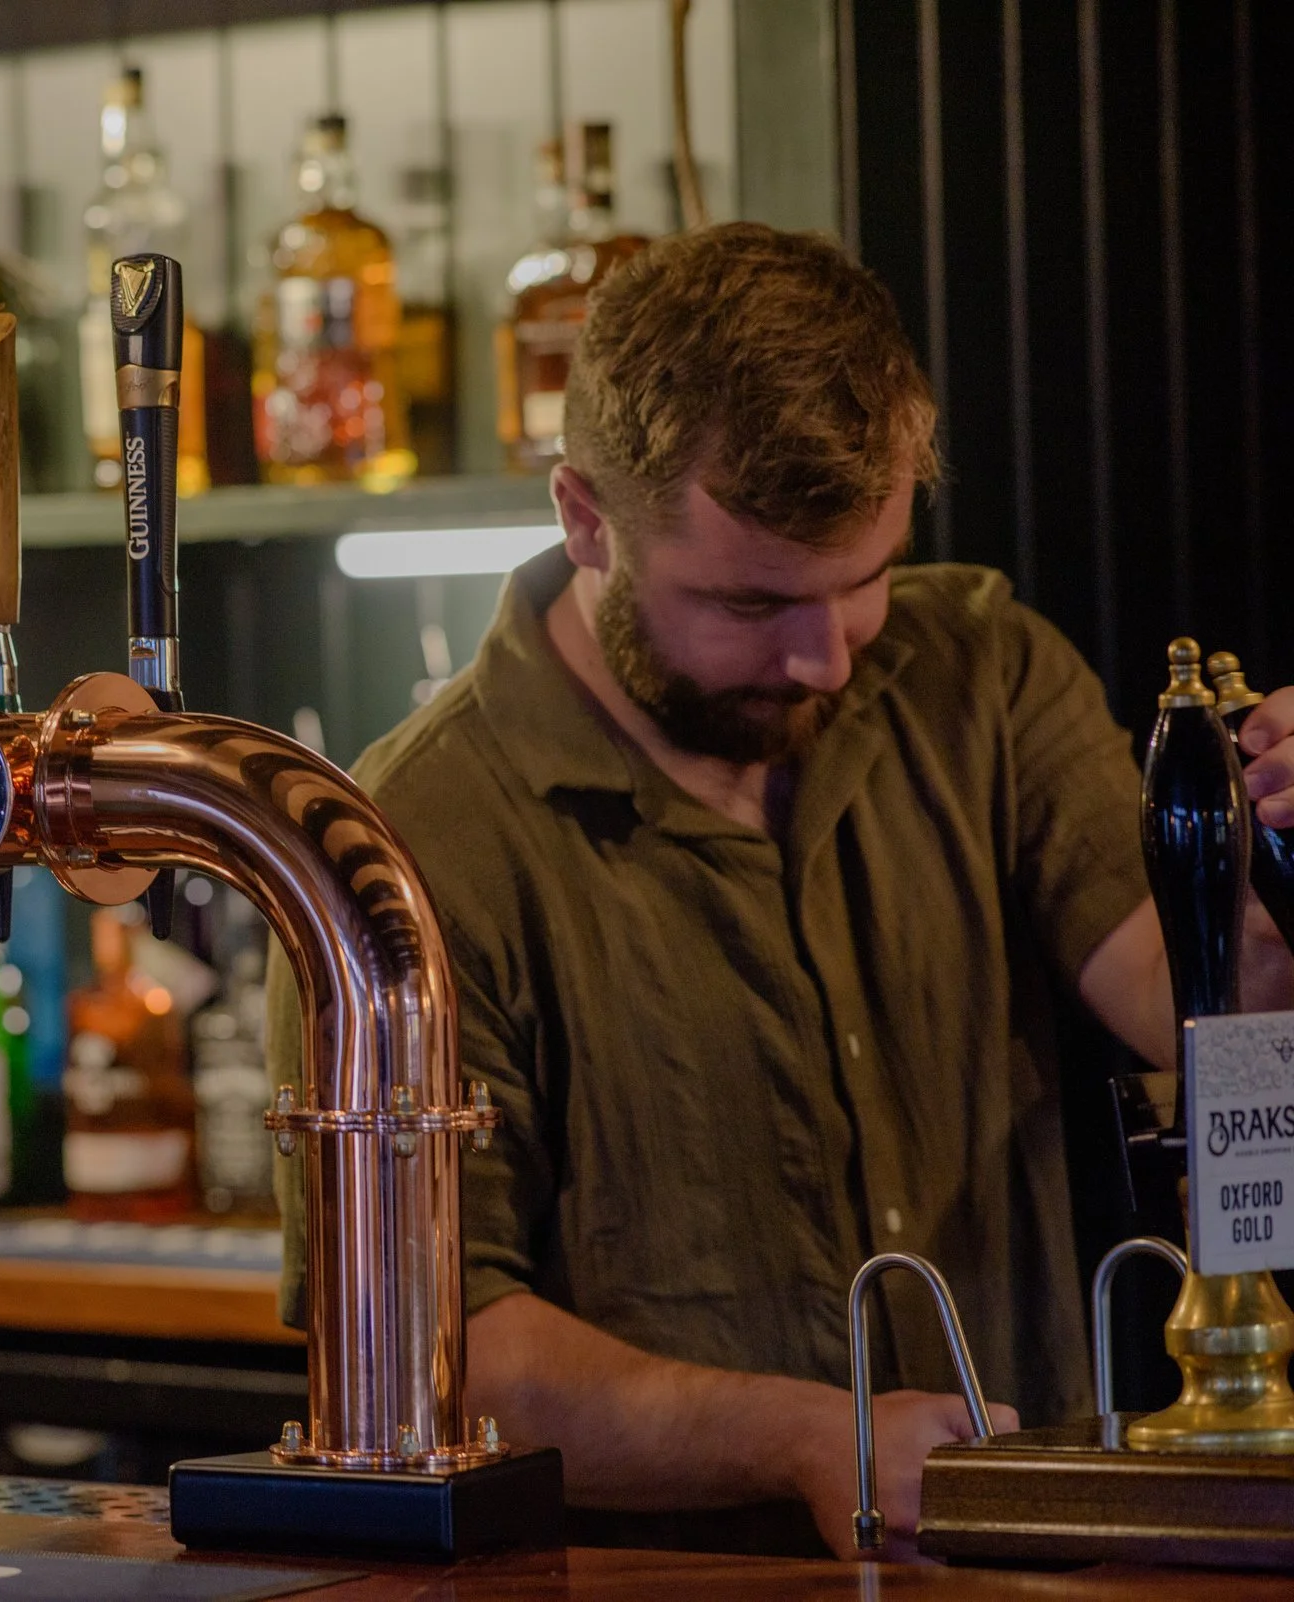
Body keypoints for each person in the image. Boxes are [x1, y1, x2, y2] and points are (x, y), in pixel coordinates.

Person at [265, 222, 1294, 1558]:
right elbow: (430, 1355)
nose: (822, 661)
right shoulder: (404, 847)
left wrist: (1274, 880)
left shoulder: (978, 670)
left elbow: (1206, 1021)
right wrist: (811, 1432)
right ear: (586, 518)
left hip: (1036, 1568)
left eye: (861, 582)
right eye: (751, 605)